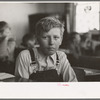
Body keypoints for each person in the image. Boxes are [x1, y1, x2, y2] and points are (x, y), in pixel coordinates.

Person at [15, 17, 77, 82]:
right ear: (37, 39)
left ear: (61, 40)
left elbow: (73, 83)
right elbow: (22, 89)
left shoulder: (61, 56)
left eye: (56, 37)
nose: (51, 42)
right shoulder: (25, 56)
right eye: (45, 37)